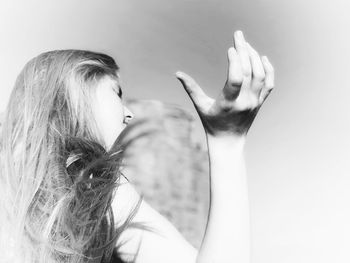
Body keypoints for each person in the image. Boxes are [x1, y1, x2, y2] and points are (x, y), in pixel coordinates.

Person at [0, 30, 274, 263]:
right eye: (116, 92)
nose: (129, 113)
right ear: (74, 91)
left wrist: (226, 142)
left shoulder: (104, 196)